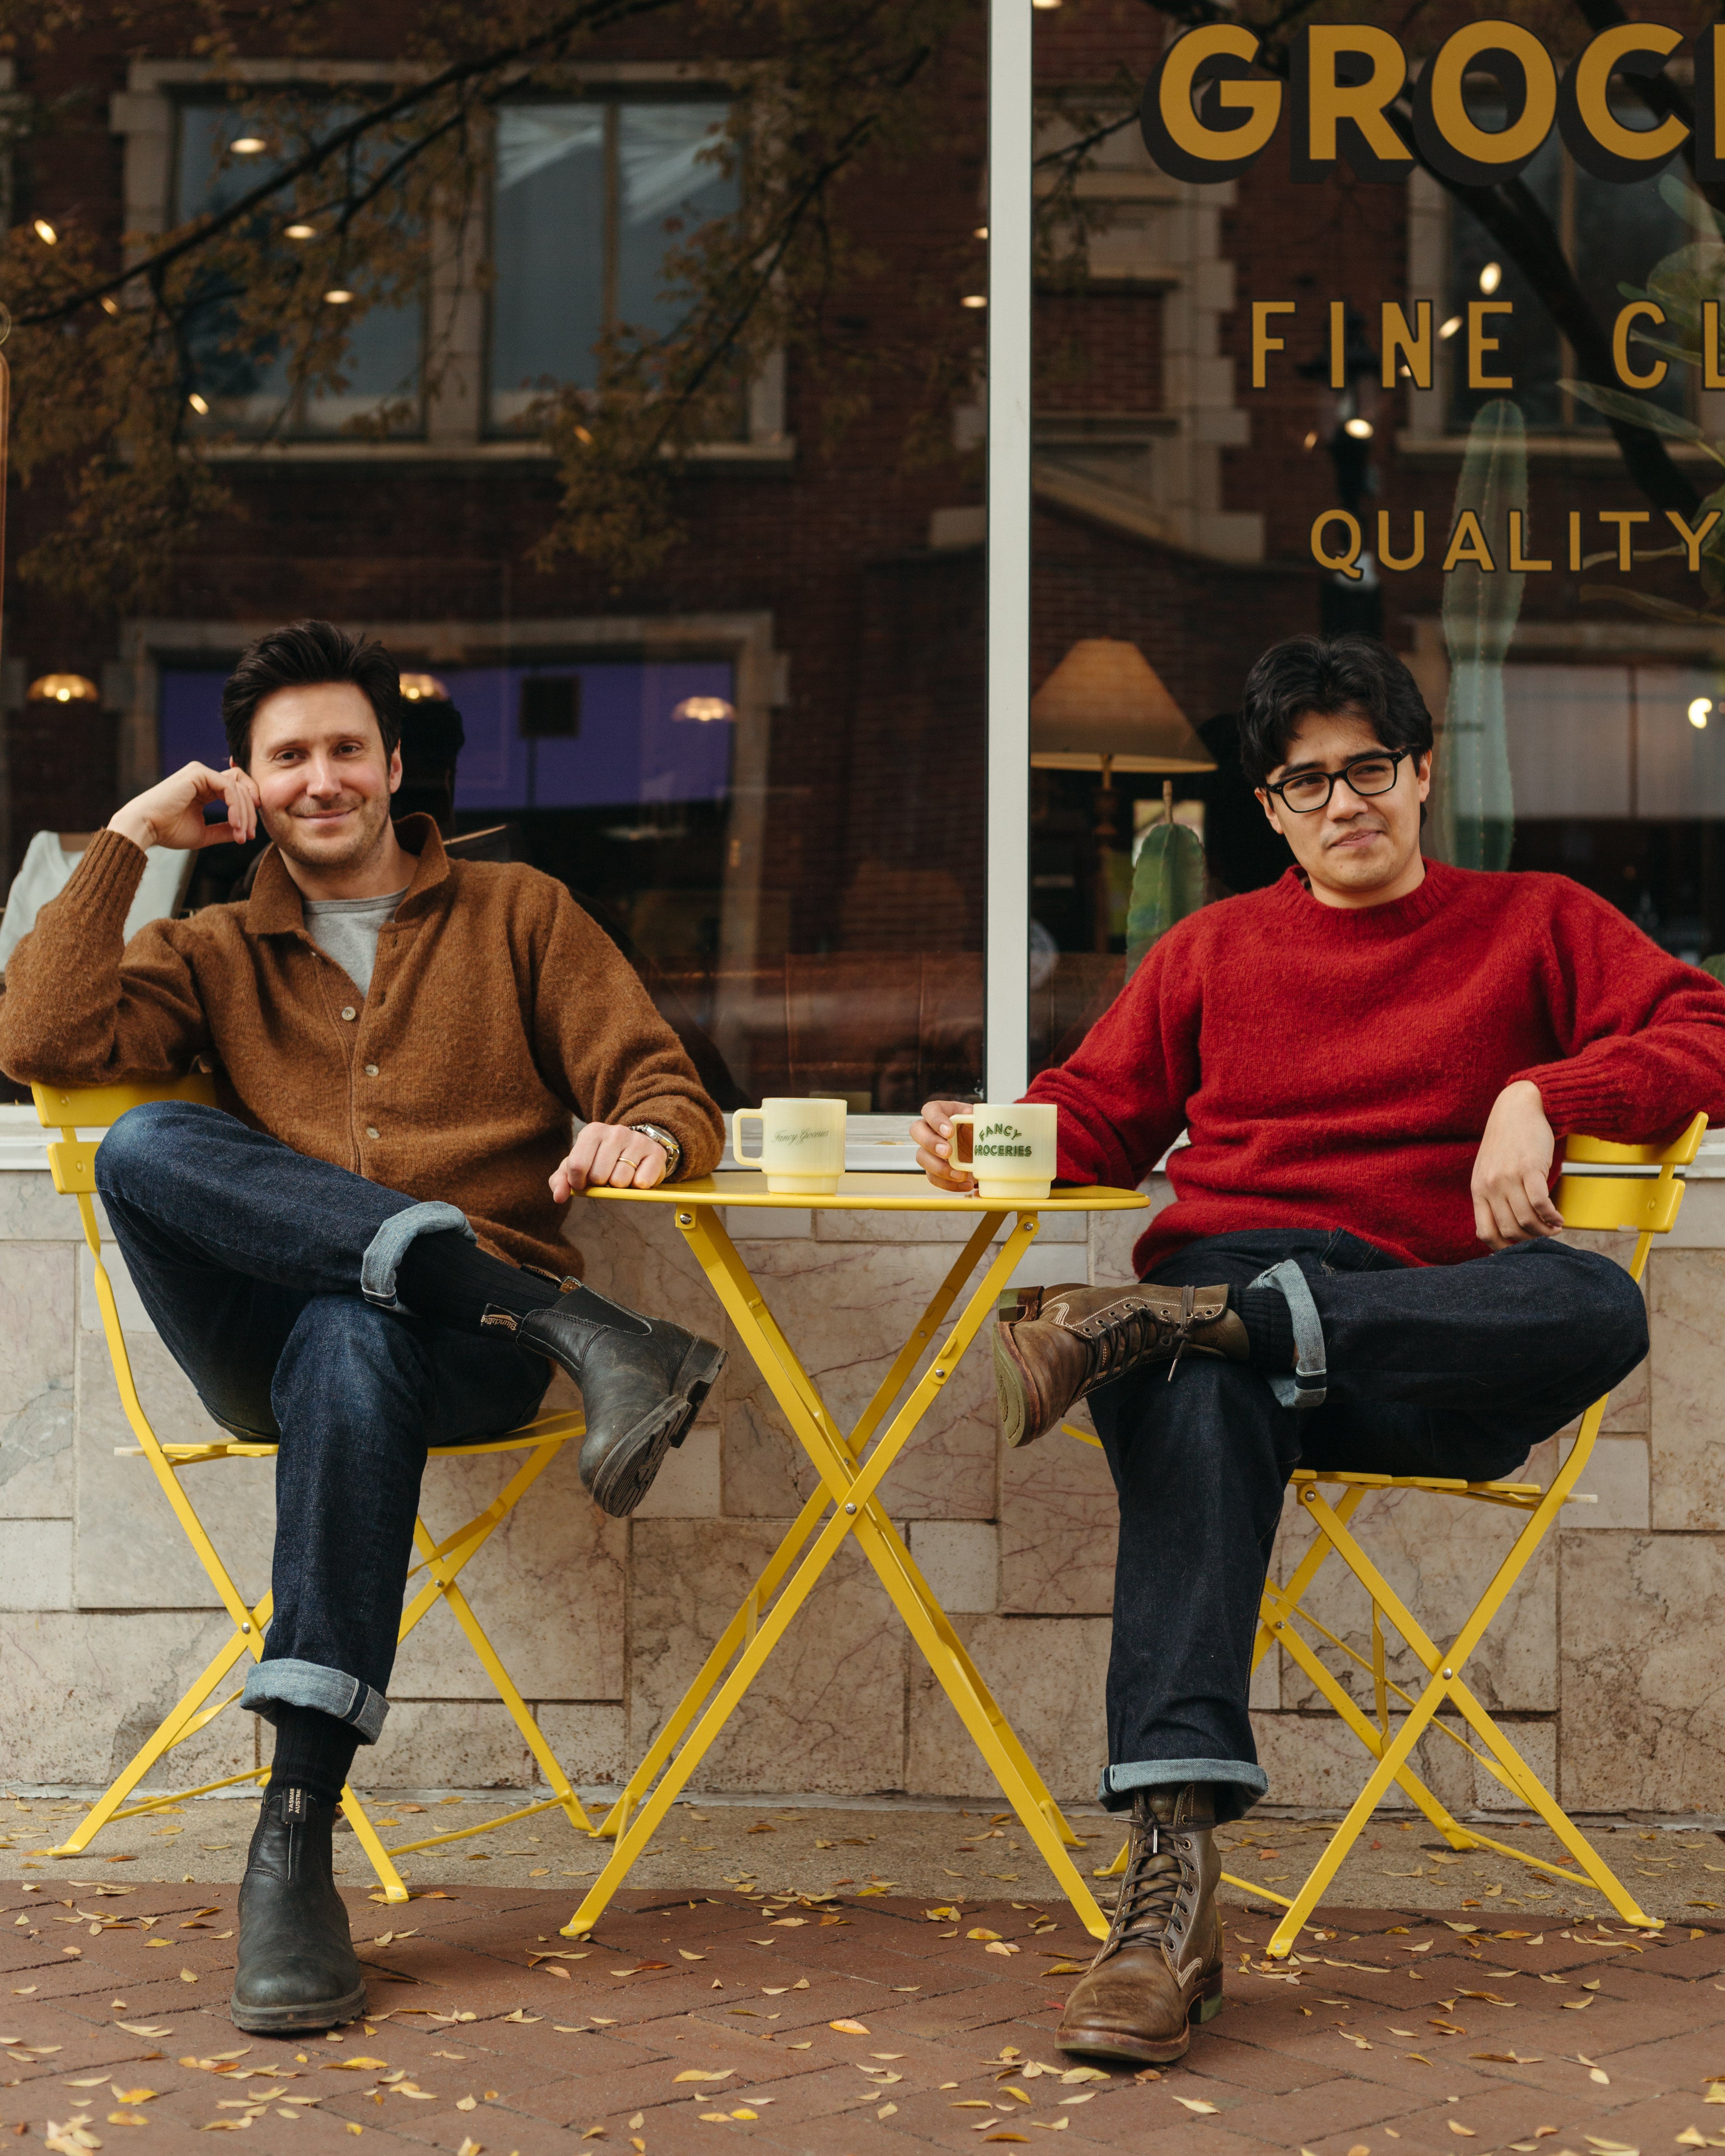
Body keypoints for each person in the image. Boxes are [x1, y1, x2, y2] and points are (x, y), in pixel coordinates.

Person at [914, 632, 1725, 2068]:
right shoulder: (1214, 947)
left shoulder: (1534, 921)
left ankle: (1187, 1322)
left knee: (1597, 1304)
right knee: (1199, 1373)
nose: (1344, 800)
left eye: (1369, 767)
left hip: (1417, 1345)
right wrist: (984, 1138)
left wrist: (1547, 1088)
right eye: (1307, 781)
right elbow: (1092, 1117)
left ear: (1421, 773)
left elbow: (1706, 1023)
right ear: (1273, 809)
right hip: (1229, 1319)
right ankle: (1168, 1897)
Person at [0, 620, 727, 2037]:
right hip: (277, 1336)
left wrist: (642, 1136)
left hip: (452, 1364)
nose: (322, 777)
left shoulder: (521, 913)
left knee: (357, 1328)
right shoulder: (208, 946)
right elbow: (38, 1034)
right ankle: (584, 1324)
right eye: (289, 757)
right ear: (249, 784)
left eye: (345, 749)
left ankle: (294, 1838)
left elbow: (663, 1084)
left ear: (394, 765)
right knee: (148, 1142)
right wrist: (135, 832)